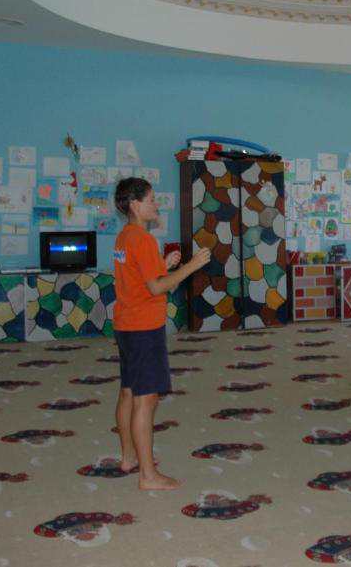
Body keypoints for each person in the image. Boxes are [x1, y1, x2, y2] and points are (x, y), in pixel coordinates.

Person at [112, 177, 211, 491]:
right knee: (147, 400)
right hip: (143, 328)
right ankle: (148, 475)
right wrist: (190, 266)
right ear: (135, 204)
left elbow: (141, 277)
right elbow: (156, 287)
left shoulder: (125, 237)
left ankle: (129, 458)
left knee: (129, 392)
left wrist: (163, 264)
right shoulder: (142, 239)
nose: (156, 205)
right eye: (152, 199)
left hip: (126, 324)